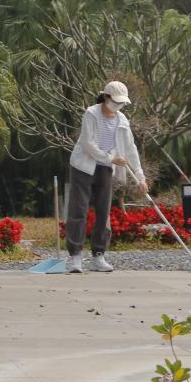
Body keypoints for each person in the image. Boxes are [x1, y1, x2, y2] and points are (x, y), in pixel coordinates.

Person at [66, 80, 148, 273]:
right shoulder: (91, 114)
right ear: (106, 97)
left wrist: (140, 176)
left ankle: (98, 256)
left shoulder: (123, 121)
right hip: (83, 167)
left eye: (122, 103)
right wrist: (111, 158)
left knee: (103, 212)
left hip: (105, 169)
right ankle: (75, 257)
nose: (118, 105)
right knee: (79, 210)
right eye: (116, 101)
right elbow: (88, 144)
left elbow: (130, 149)